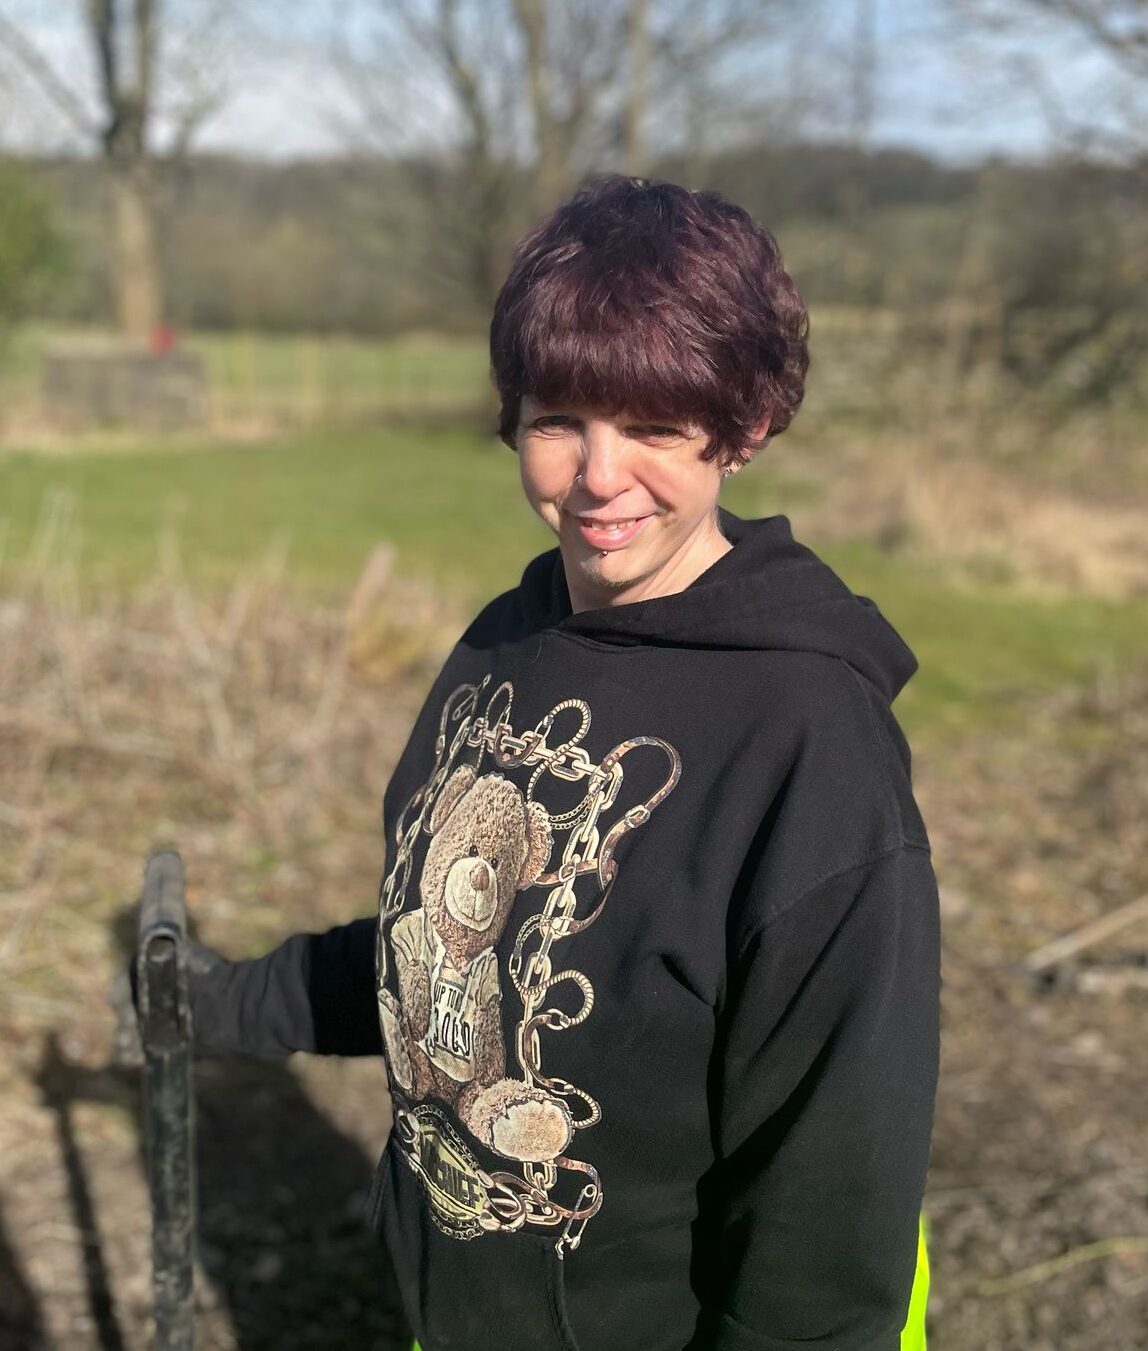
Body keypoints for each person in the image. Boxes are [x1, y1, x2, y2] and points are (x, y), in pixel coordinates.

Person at [162, 175, 940, 1351]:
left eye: (654, 426)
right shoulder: (507, 642)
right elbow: (449, 942)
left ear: (743, 427)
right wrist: (224, 1001)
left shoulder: (807, 737)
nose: (597, 475)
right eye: (558, 419)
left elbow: (832, 1170)